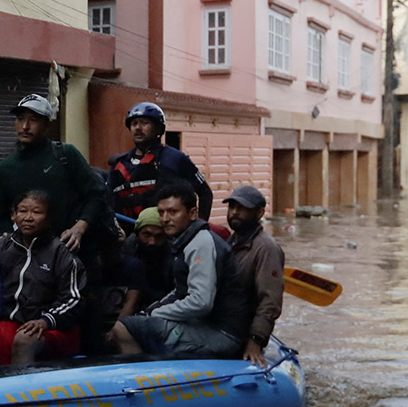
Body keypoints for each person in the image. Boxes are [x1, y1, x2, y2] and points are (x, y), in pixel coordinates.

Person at [109, 183, 251, 361]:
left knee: (122, 327)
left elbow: (201, 302)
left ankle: (142, 381)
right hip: (208, 325)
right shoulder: (185, 241)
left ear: (192, 213)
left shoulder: (201, 244)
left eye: (173, 212)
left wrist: (156, 314)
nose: (165, 219)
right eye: (161, 212)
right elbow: (180, 291)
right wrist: (150, 311)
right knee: (140, 321)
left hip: (222, 333)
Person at [0, 94, 112, 256]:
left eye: (33, 119)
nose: (25, 126)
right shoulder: (5, 168)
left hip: (73, 249)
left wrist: (79, 228)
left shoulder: (66, 155)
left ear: (47, 125)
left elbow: (97, 194)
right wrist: (15, 240)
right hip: (31, 257)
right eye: (20, 119)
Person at [0, 191, 86, 365]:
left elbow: (74, 299)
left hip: (53, 328)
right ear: (14, 215)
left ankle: (22, 391)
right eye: (22, 211)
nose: (28, 217)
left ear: (49, 218)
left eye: (36, 212)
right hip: (8, 322)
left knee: (24, 339)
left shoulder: (61, 253)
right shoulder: (2, 248)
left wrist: (46, 321)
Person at [107, 102, 213, 224]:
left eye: (144, 123)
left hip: (166, 234)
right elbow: (107, 201)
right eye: (134, 123)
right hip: (129, 234)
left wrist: (199, 226)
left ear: (158, 128)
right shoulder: (119, 164)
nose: (138, 128)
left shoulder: (175, 158)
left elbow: (205, 193)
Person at [222, 185, 284, 366]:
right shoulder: (232, 242)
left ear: (259, 213)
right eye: (232, 207)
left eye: (242, 208)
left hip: (241, 331)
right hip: (226, 322)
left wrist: (255, 341)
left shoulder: (266, 248)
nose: (234, 213)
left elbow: (270, 301)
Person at [117, 206, 172, 320]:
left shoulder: (174, 257)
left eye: (159, 236)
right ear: (137, 234)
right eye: (147, 234)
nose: (152, 242)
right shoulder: (128, 250)